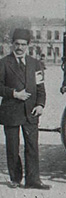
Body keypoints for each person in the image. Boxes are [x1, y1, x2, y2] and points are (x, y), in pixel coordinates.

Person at [0, 29, 50, 189]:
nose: (19, 47)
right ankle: (15, 178)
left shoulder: (35, 64)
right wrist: (14, 93)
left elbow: (41, 88)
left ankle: (33, 180)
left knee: (32, 147)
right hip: (11, 111)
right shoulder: (3, 63)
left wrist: (40, 105)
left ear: (28, 46)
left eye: (23, 44)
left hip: (31, 112)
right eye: (17, 44)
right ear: (12, 45)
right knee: (13, 148)